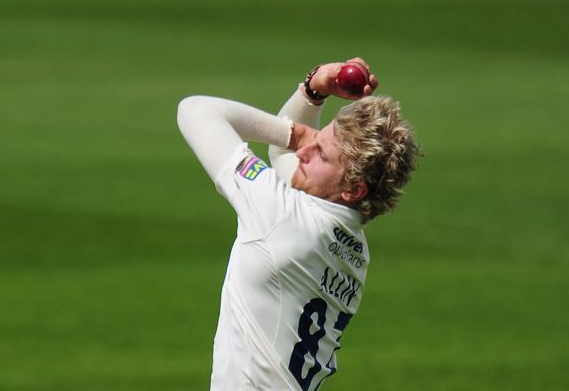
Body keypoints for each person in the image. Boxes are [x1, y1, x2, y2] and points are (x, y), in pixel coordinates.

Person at [177, 57, 419, 391]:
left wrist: (295, 133)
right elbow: (283, 157)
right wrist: (312, 93)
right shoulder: (352, 246)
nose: (305, 152)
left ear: (353, 188)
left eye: (321, 153)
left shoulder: (282, 215)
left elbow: (195, 111)